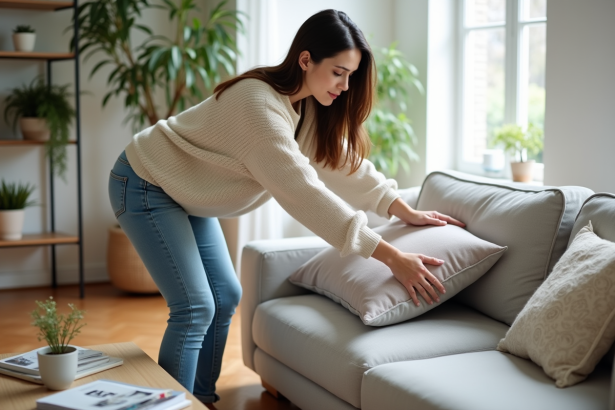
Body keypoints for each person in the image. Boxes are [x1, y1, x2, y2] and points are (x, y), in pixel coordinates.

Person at [107, 8, 464, 407]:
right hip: (146, 182)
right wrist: (391, 256)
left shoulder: (305, 105)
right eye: (338, 72)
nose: (345, 86)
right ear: (306, 59)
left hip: (186, 192)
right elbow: (304, 193)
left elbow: (342, 162)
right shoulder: (258, 107)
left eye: (351, 75)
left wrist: (401, 208)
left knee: (224, 295)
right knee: (194, 307)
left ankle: (200, 399)